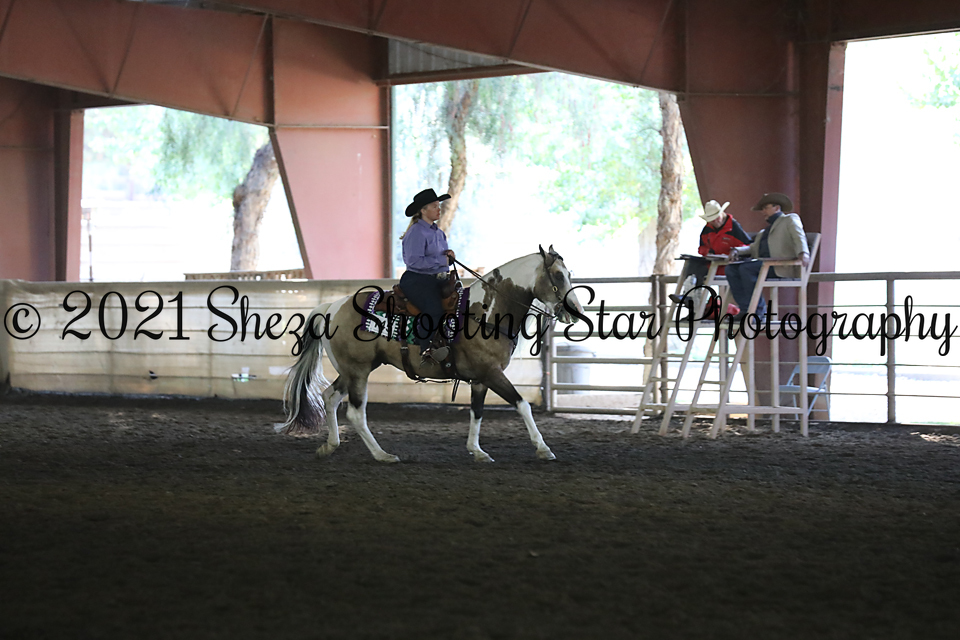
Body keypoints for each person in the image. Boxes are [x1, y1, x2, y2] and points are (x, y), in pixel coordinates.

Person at [726, 192, 810, 320]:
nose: (763, 212)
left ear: (777, 208)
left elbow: (799, 236)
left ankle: (758, 312)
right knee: (731, 269)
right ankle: (746, 309)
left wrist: (803, 252)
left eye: (766, 208)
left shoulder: (789, 220)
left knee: (746, 268)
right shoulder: (765, 231)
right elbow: (753, 248)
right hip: (763, 265)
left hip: (781, 266)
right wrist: (736, 251)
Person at [399, 188, 457, 363]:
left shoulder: (438, 232)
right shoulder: (416, 232)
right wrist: (441, 260)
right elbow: (414, 261)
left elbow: (438, 259)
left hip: (437, 279)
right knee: (434, 310)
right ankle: (426, 351)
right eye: (434, 206)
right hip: (417, 280)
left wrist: (448, 256)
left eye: (438, 205)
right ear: (423, 210)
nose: (438, 209)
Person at [669, 199, 751, 306]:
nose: (715, 221)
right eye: (712, 219)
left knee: (699, 270)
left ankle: (691, 297)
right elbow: (701, 248)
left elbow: (747, 247)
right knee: (692, 264)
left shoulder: (734, 227)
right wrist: (708, 252)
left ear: (722, 214)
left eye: (717, 217)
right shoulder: (707, 229)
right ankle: (689, 295)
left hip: (728, 265)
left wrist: (733, 252)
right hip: (712, 263)